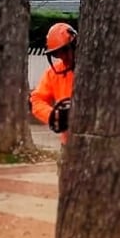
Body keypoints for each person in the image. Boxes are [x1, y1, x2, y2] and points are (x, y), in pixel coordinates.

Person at [30, 23, 77, 157]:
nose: (62, 57)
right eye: (57, 54)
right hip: (68, 143)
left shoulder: (92, 70)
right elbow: (36, 99)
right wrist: (52, 115)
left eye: (64, 51)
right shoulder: (53, 74)